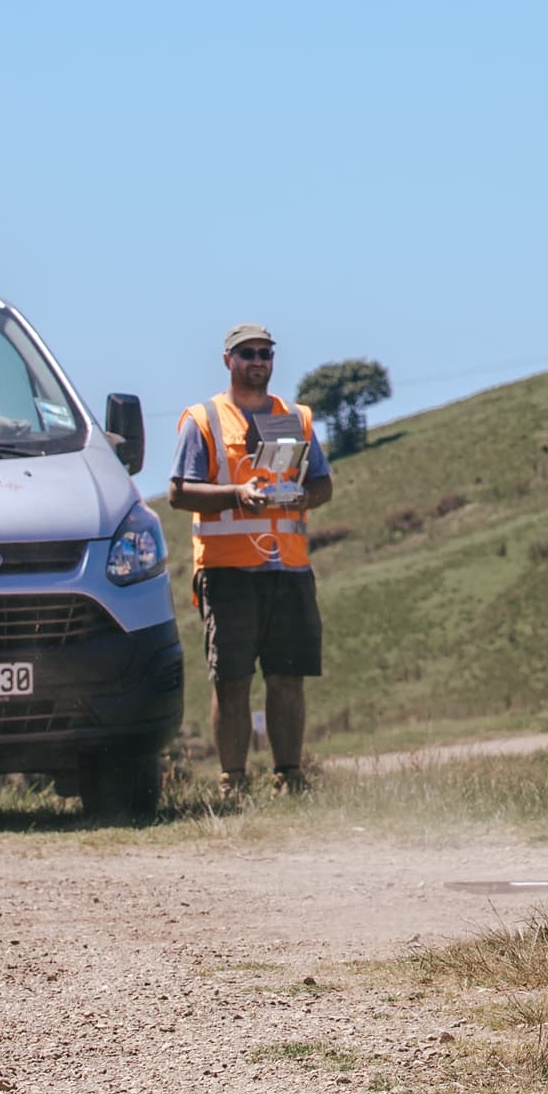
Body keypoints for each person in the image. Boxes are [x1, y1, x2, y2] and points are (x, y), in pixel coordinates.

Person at [167, 323, 331, 795]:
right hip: (227, 570)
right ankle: (232, 782)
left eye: (265, 353)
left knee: (288, 677)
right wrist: (237, 494)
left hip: (290, 568)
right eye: (247, 354)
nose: (258, 361)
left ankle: (290, 777)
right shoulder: (204, 418)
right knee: (232, 680)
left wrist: (301, 497)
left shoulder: (295, 417)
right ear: (228, 361)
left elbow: (323, 484)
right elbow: (179, 492)